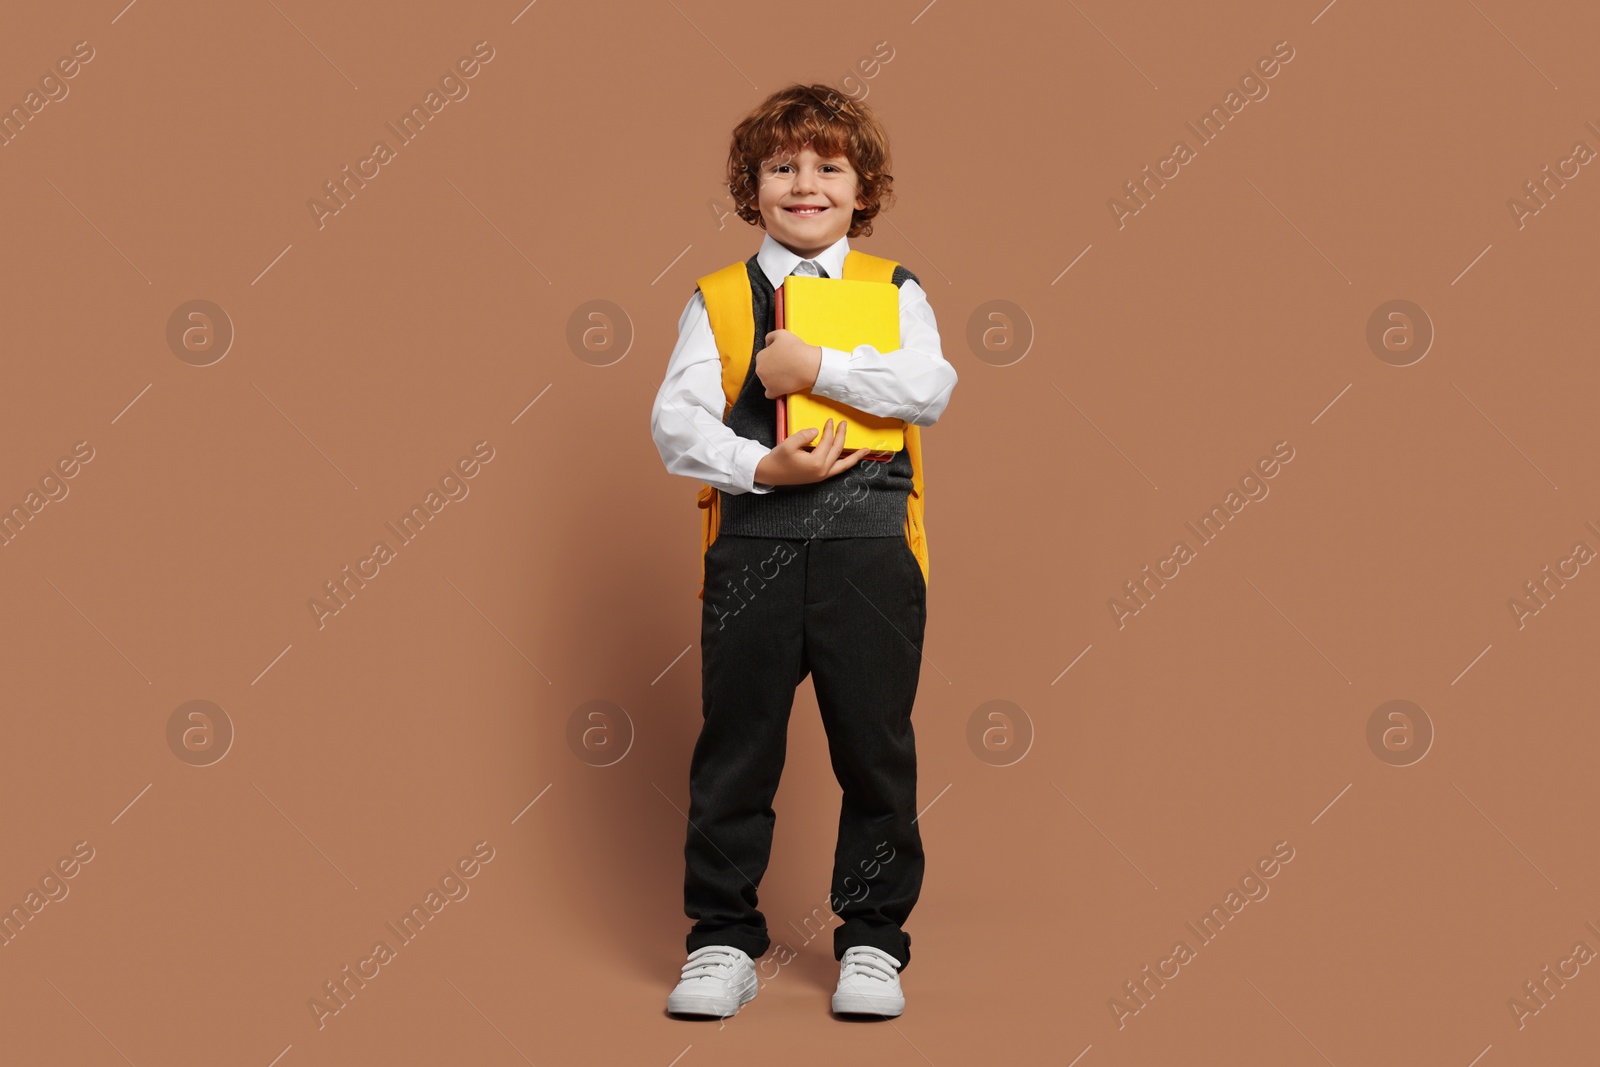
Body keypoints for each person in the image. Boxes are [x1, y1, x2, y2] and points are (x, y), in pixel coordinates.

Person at [650, 83, 957, 1019]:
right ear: (753, 187)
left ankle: (871, 939)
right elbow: (674, 424)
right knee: (737, 748)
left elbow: (929, 387)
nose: (805, 184)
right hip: (754, 553)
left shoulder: (895, 290)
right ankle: (721, 940)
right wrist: (762, 467)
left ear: (863, 188)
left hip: (871, 554)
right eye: (782, 167)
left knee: (875, 749)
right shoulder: (716, 299)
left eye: (828, 166)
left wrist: (816, 368)